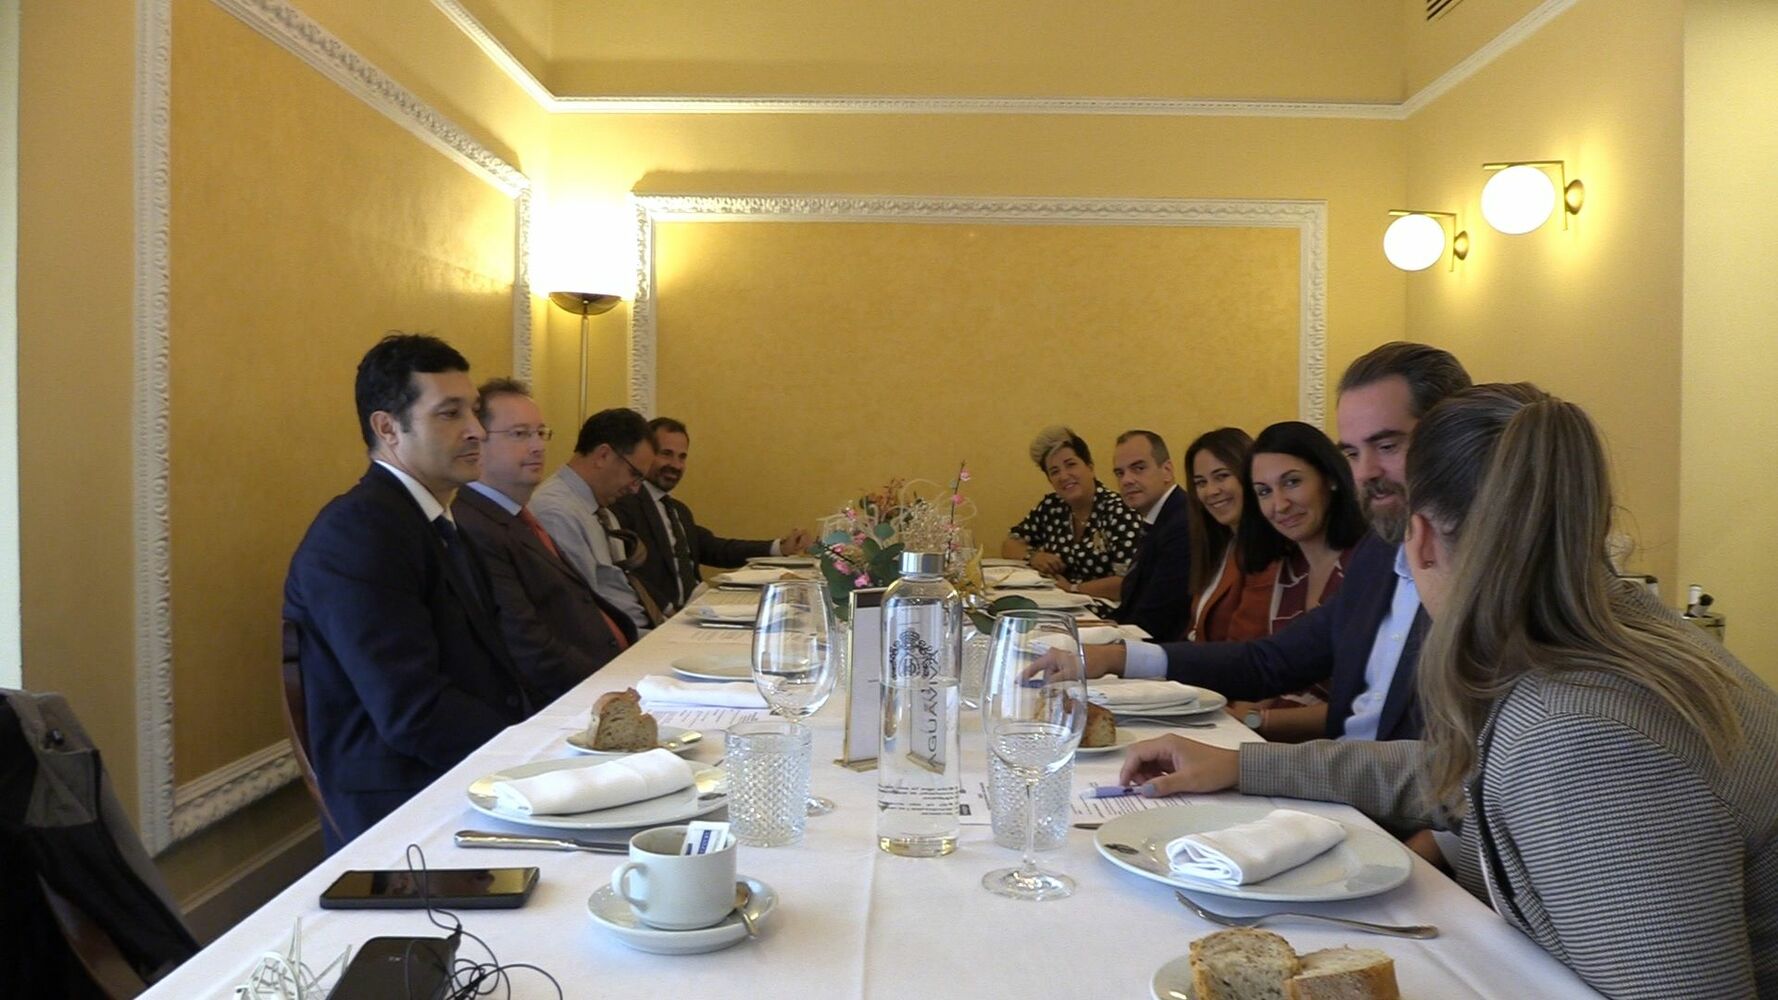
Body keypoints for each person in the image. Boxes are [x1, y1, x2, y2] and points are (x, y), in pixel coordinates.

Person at [1117, 384, 1778, 999]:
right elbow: (1458, 772)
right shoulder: (1610, 627)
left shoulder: (1580, 731)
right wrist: (1245, 764)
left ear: (1422, 538)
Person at [1040, 342, 1474, 742]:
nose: (1365, 473)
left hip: (1360, 788)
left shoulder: (1485, 577)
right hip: (1328, 775)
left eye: (1387, 445)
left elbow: (1444, 765)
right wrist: (1118, 658)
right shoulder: (1380, 556)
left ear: (1454, 437)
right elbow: (1269, 661)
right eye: (1353, 454)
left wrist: (1249, 752)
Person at [283, 334, 529, 851]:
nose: (476, 430)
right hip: (406, 813)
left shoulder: (433, 521)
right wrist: (531, 758)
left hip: (462, 776)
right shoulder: (358, 532)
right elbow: (414, 713)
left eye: (474, 411)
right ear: (388, 428)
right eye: (450, 414)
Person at [453, 379, 637, 706]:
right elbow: (528, 645)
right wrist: (607, 685)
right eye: (520, 434)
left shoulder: (516, 517)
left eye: (540, 433)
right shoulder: (474, 525)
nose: (538, 446)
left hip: (610, 673)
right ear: (477, 441)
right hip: (570, 698)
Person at [1223, 420, 1369, 741]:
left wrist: (1256, 720)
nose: (1279, 505)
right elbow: (1278, 673)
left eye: (1292, 482)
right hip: (1279, 735)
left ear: (1330, 478)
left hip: (1344, 750)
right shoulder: (1289, 567)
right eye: (1264, 492)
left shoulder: (1368, 562)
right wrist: (1239, 713)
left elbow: (1363, 707)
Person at [613, 417, 812, 614]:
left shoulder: (678, 510)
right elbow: (624, 573)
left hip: (698, 609)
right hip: (662, 617)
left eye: (682, 457)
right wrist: (665, 608)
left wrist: (780, 547)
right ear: (646, 455)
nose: (676, 465)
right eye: (666, 454)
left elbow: (717, 549)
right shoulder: (624, 504)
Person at [530, 408, 660, 633]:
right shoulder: (556, 513)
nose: (635, 489)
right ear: (603, 455)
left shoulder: (602, 513)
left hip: (640, 634)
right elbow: (582, 612)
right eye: (634, 475)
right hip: (620, 644)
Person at [1001, 426, 1144, 599]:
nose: (1064, 476)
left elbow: (1129, 582)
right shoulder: (1052, 506)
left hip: (1105, 608)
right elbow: (1010, 544)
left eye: (1071, 465)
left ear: (1090, 467)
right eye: (1055, 471)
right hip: (1058, 603)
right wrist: (1033, 557)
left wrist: (1073, 588)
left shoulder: (1119, 511)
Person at [1179, 428, 1273, 643]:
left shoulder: (1267, 553)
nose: (1211, 491)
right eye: (1201, 483)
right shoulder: (1223, 544)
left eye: (1221, 476)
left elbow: (1242, 648)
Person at [1107, 430, 1193, 640]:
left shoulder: (1183, 523)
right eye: (1120, 473)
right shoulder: (1162, 517)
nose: (1126, 480)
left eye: (1138, 468)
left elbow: (1156, 621)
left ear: (1167, 471)